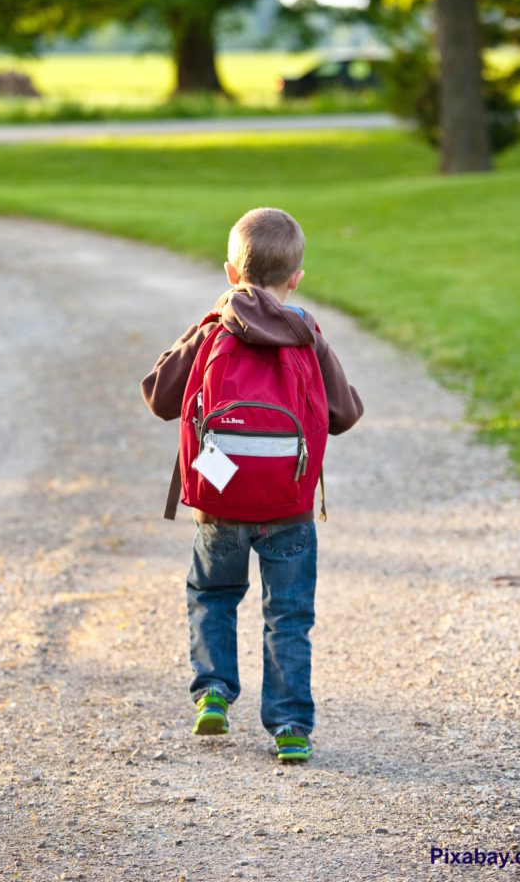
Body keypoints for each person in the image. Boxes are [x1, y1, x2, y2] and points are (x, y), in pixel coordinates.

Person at [140, 207, 363, 761]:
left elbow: (159, 396)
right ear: (296, 278)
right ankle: (290, 727)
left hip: (220, 504)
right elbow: (345, 413)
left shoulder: (215, 329)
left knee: (213, 595)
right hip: (289, 506)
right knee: (287, 615)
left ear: (230, 274)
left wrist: (204, 324)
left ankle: (213, 691)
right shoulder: (306, 332)